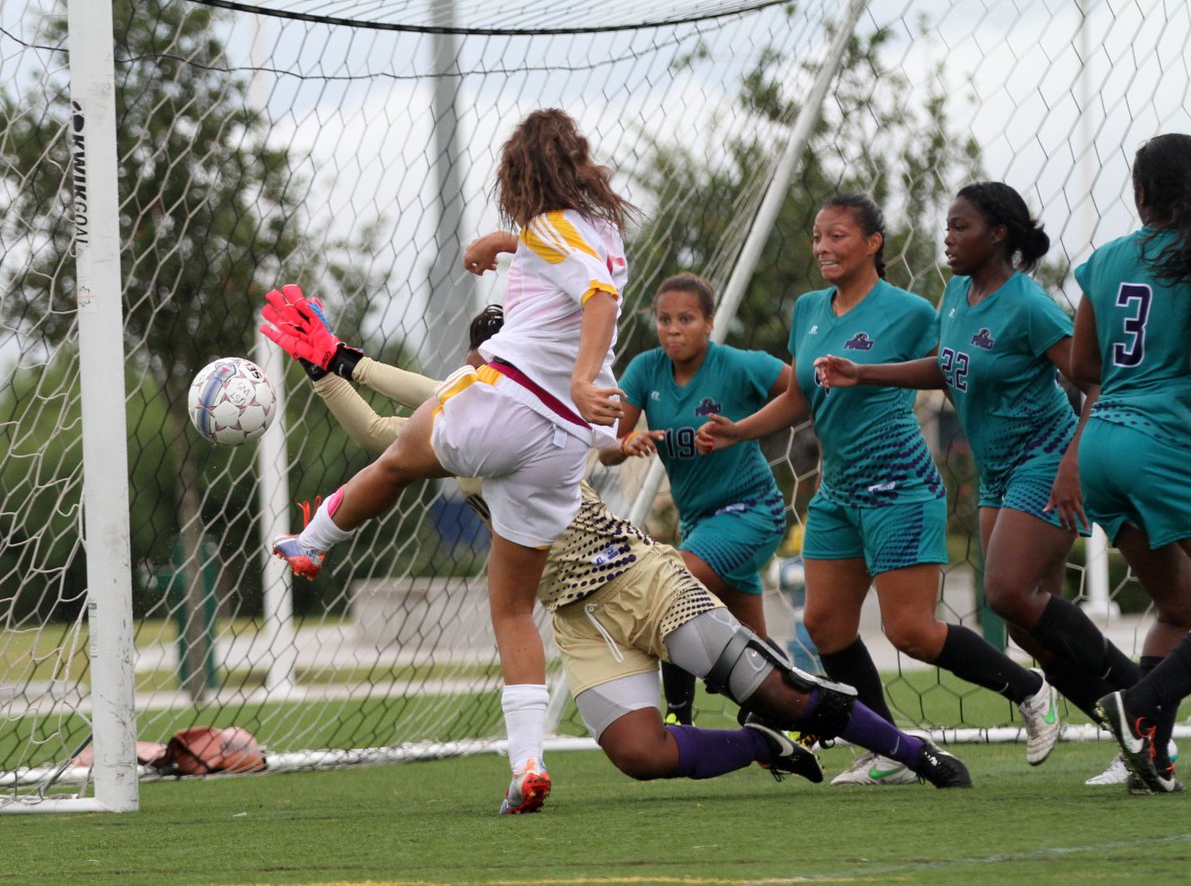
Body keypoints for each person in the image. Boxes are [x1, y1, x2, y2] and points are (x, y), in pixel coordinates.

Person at [263, 298, 973, 806]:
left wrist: (343, 361)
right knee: (639, 754)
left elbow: (426, 399)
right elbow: (389, 429)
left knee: (780, 691)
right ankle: (766, 745)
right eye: (481, 353)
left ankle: (912, 751)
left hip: (635, 576)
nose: (483, 363)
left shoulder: (534, 402)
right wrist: (327, 369)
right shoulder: (465, 412)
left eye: (496, 352)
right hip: (577, 616)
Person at [263, 108, 634, 814]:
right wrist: (504, 242)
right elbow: (577, 262)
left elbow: (599, 296)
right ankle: (527, 764)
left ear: (518, 175)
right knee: (513, 609)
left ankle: (313, 542)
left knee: (394, 459)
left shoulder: (553, 228)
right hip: (564, 445)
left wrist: (585, 373)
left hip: (511, 401)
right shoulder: (602, 228)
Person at [696, 193, 1058, 785]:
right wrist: (738, 430)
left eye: (836, 236)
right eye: (817, 237)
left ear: (872, 243)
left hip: (901, 486)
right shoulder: (809, 309)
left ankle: (1029, 688)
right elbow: (798, 398)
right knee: (826, 626)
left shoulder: (912, 311)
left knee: (910, 631)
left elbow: (959, 365)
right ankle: (890, 749)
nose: (822, 247)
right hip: (837, 492)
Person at [813, 182, 1144, 775]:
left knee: (1007, 593)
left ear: (998, 235)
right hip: (999, 472)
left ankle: (1143, 701)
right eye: (947, 226)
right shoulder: (957, 294)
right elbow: (947, 368)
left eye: (960, 227)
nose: (948, 237)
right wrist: (864, 373)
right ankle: (1134, 735)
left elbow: (1094, 381)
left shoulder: (1029, 304)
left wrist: (1073, 465)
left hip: (1048, 458)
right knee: (1027, 627)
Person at [599, 273, 791, 726]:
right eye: (664, 320)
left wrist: (743, 429)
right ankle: (807, 710)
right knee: (752, 646)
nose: (673, 330)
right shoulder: (646, 370)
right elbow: (607, 448)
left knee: (669, 588)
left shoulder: (737, 365)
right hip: (700, 525)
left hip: (752, 512)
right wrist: (626, 443)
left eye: (685, 319)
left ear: (709, 321)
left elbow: (804, 390)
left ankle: (677, 719)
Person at [1075, 133, 1191, 795]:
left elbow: (1082, 364)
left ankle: (1148, 757)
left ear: (1141, 192)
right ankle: (1138, 704)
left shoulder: (1104, 259)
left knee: (1179, 605)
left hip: (1101, 443)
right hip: (1162, 439)